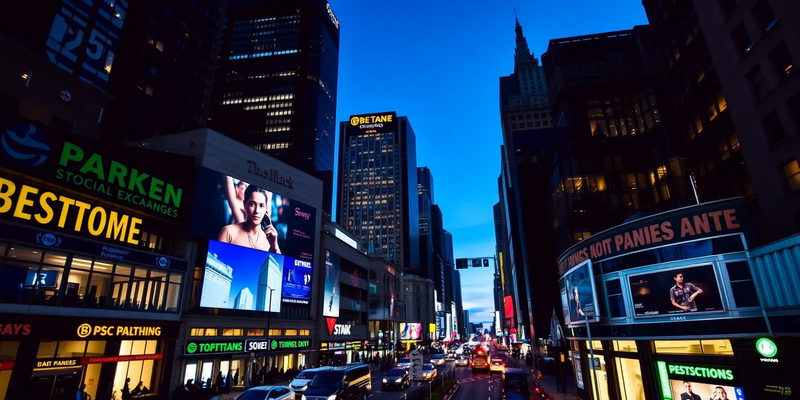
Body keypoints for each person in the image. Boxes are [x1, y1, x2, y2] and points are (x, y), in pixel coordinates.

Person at [217, 185, 280, 253]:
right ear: (244, 204)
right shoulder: (228, 232)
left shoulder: (269, 240)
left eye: (262, 206)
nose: (257, 211)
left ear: (265, 209)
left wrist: (275, 247)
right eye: (252, 204)